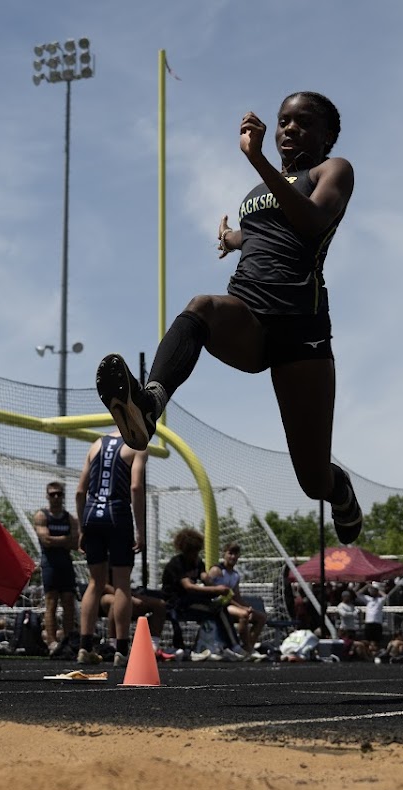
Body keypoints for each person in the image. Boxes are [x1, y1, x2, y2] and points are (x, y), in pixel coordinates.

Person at [95, 91, 362, 545]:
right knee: (201, 306)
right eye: (283, 121)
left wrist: (257, 160)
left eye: (303, 122)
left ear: (328, 135)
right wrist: (231, 238)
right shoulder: (260, 192)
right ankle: (149, 405)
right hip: (249, 315)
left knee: (312, 480)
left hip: (301, 331)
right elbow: (261, 232)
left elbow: (312, 220)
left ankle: (340, 492)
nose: (289, 129)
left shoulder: (333, 171)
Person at [74, 430, 145, 666]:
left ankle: (84, 647)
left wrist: (82, 528)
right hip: (117, 514)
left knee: (95, 582)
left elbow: (80, 491)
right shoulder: (138, 445)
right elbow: (136, 488)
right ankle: (121, 650)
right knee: (122, 583)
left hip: (92, 515)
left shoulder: (97, 443)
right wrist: (140, 529)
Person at [160, 527, 240, 661]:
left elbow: (205, 578)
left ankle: (221, 646)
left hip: (191, 600)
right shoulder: (177, 563)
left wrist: (216, 586)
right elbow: (189, 587)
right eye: (192, 552)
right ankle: (233, 646)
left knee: (219, 607)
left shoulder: (197, 562)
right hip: (177, 603)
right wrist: (216, 590)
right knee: (217, 611)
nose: (195, 555)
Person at [34, 480, 79, 653]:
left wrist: (57, 540)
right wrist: (65, 539)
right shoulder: (42, 515)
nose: (56, 497)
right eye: (52, 494)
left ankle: (68, 640)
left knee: (68, 602)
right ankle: (52, 642)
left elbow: (75, 543)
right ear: (47, 496)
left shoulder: (70, 518)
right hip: (49, 565)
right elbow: (46, 540)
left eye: (59, 494)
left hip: (66, 564)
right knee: (51, 603)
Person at [205, 541, 266, 656]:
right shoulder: (217, 571)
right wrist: (242, 608)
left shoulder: (235, 575)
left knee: (261, 617)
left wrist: (247, 607)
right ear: (224, 554)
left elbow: (236, 596)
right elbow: (218, 595)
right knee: (243, 614)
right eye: (230, 553)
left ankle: (248, 647)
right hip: (218, 606)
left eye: (236, 554)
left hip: (230, 606)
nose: (233, 557)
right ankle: (242, 648)